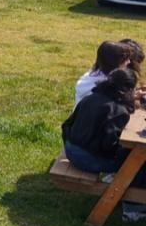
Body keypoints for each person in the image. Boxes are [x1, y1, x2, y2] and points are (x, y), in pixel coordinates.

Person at [62, 68, 146, 218]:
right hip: (87, 159)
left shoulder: (91, 97)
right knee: (138, 160)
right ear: (127, 90)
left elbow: (66, 124)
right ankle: (133, 209)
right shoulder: (118, 110)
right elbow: (109, 147)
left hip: (70, 149)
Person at [74, 41, 134, 105]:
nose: (129, 62)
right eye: (126, 59)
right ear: (115, 62)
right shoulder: (106, 84)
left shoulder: (90, 75)